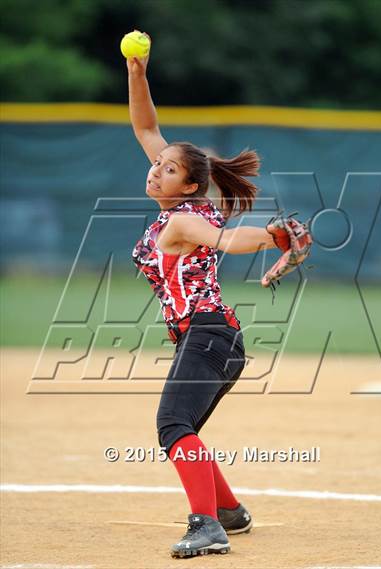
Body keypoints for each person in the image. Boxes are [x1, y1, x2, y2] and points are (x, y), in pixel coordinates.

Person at [127, 33, 277, 559]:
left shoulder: (187, 218)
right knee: (183, 427)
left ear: (189, 186)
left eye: (167, 168)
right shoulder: (182, 205)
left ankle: (206, 525)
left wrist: (271, 235)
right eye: (157, 164)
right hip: (213, 337)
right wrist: (138, 73)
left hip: (209, 335)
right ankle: (230, 511)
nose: (155, 168)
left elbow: (229, 241)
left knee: (172, 426)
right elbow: (146, 128)